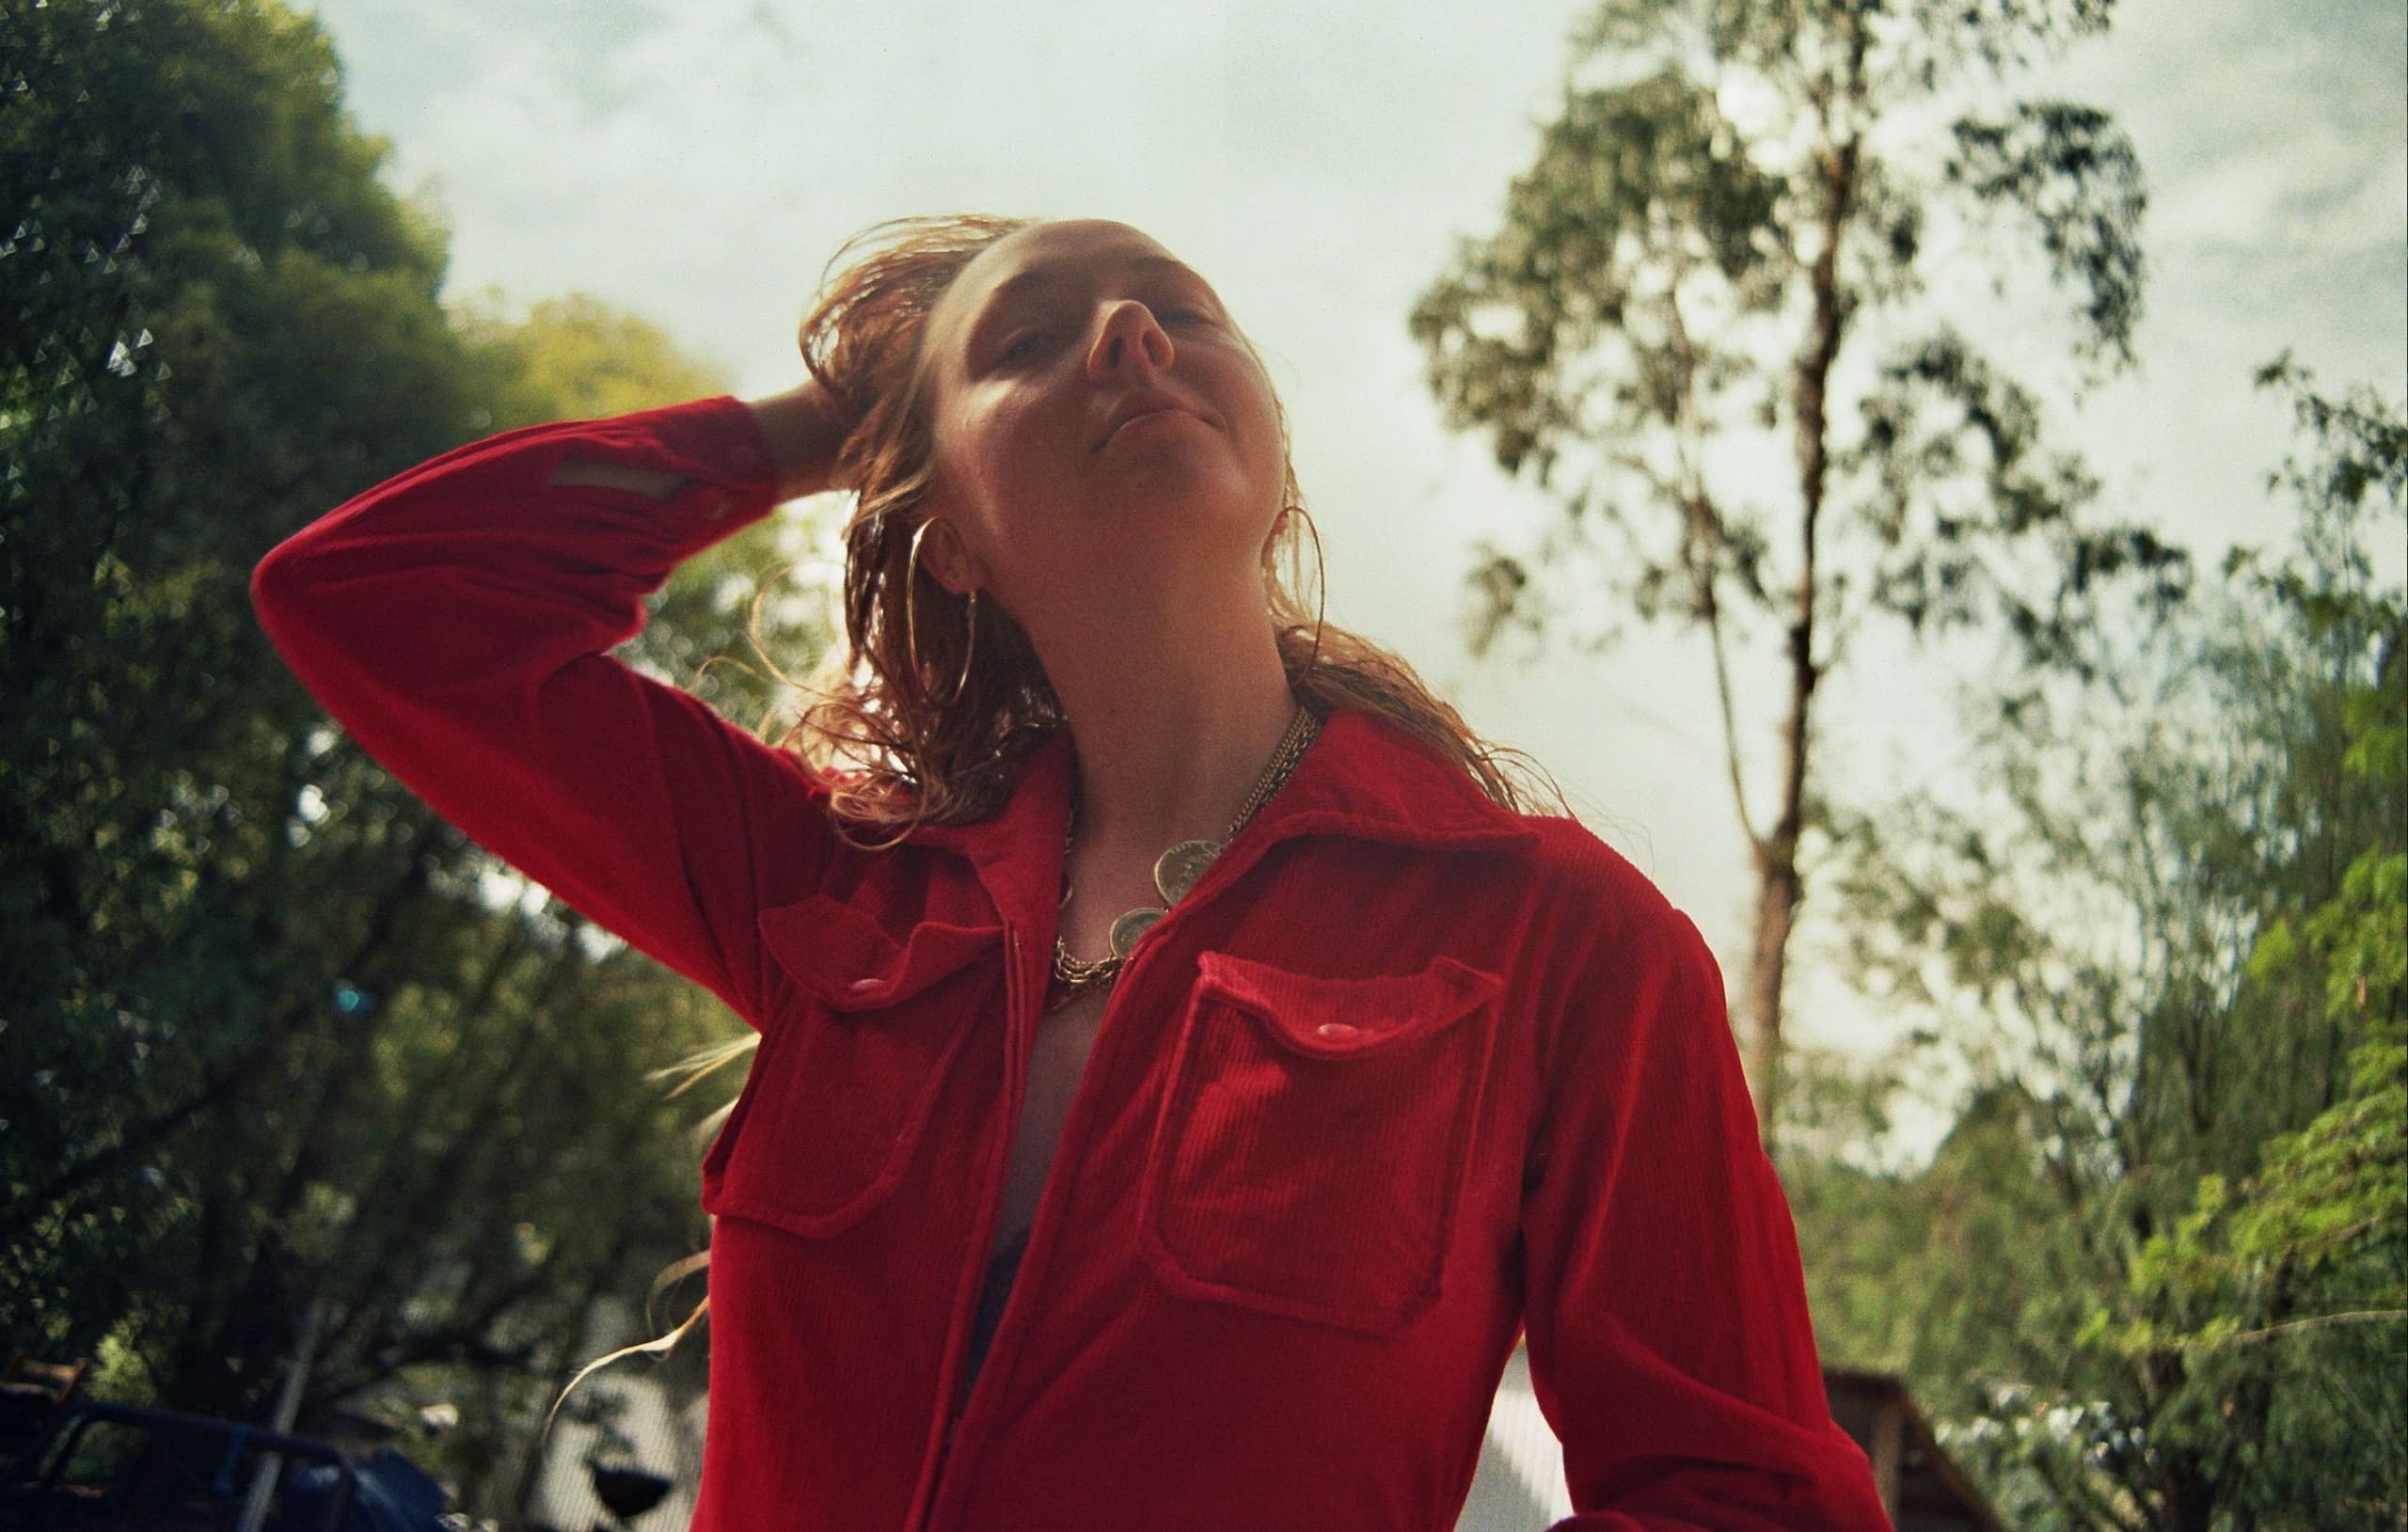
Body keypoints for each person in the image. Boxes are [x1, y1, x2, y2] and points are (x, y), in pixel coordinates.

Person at [251, 213, 1892, 1531]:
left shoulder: (1557, 940)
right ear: (947, 537)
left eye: (1179, 311)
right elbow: (378, 602)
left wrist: (958, 393)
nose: (1128, 335)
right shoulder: (833, 898)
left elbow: (1748, 1501)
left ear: (1274, 460)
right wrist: (820, 426)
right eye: (1027, 342)